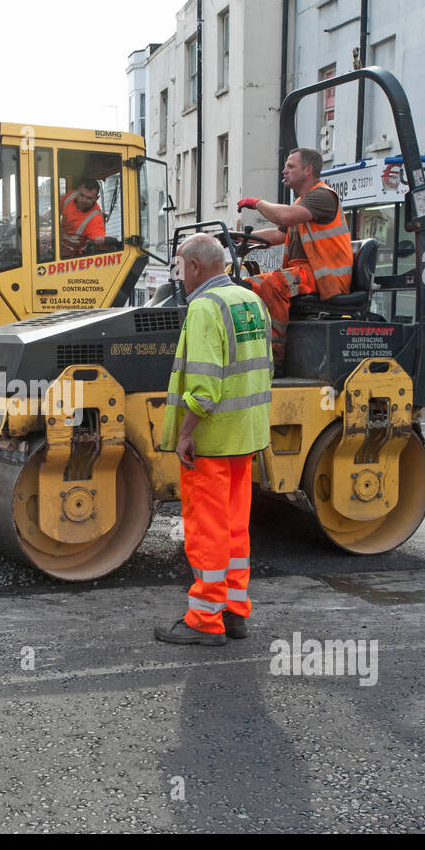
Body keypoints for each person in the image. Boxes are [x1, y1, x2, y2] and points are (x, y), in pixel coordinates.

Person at [155, 234, 273, 646]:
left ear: (195, 267)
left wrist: (186, 433)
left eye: (179, 266)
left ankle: (204, 619)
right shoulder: (250, 301)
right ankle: (234, 612)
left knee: (207, 530)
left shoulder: (204, 308)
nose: (179, 275)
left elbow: (204, 390)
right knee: (235, 528)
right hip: (245, 437)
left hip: (212, 440)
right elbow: (265, 367)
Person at [237, 147, 354, 359]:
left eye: (290, 166)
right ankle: (251, 348)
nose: (284, 170)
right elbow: (277, 234)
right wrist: (240, 238)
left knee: (275, 284)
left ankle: (275, 355)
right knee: (249, 285)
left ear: (308, 170)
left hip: (325, 276)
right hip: (307, 272)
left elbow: (284, 218)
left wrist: (257, 203)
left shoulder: (323, 196)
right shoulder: (302, 203)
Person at [60, 179, 106, 257]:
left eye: (89, 198)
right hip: (56, 243)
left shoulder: (96, 218)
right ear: (77, 191)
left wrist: (99, 240)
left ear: (96, 198)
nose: (84, 200)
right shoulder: (70, 196)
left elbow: (100, 239)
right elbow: (55, 210)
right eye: (82, 195)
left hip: (72, 254)